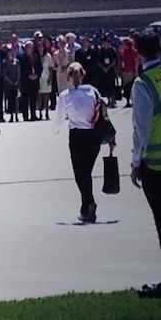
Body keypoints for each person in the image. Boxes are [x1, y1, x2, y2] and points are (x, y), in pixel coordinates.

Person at [56, 62, 113, 223]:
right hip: (93, 135)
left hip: (77, 136)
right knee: (86, 171)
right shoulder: (92, 91)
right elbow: (104, 112)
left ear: (68, 77)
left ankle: (89, 203)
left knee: (80, 174)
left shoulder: (65, 95)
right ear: (83, 75)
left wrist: (57, 127)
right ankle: (86, 206)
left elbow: (59, 118)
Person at [129, 27, 161, 297]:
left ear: (138, 53)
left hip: (155, 165)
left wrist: (135, 162)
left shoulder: (143, 84)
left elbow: (142, 128)